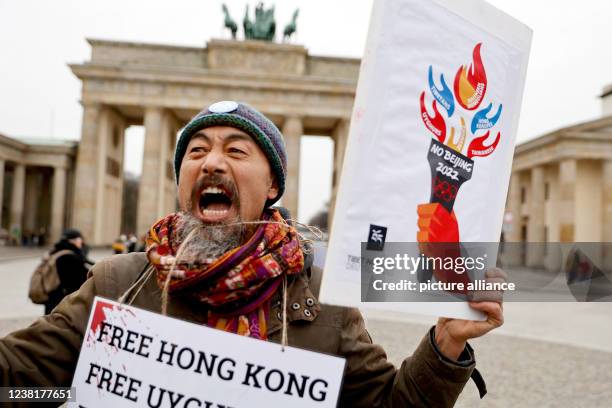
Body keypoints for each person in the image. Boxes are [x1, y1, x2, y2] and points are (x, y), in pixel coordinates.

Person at [0, 101, 503, 406]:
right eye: (195, 152)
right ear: (181, 181)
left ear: (271, 187)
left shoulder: (322, 302)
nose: (212, 161)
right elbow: (19, 385)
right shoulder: (118, 283)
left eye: (237, 151)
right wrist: (61, 396)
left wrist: (445, 344)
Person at [43, 228, 93, 315]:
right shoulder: (70, 257)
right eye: (80, 239)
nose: (81, 242)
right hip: (63, 302)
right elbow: (83, 278)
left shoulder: (56, 252)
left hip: (52, 299)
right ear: (73, 240)